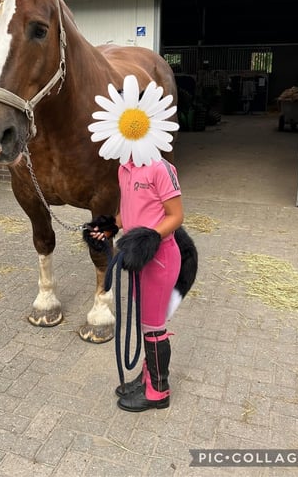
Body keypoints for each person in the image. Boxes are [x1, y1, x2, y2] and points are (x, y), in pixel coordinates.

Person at [83, 74, 192, 412]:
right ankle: (147, 378)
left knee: (153, 325)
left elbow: (176, 216)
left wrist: (149, 237)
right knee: (146, 321)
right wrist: (109, 226)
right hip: (135, 255)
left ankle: (158, 391)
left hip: (158, 257)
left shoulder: (161, 168)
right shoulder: (124, 168)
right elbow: (128, 211)